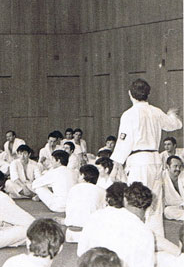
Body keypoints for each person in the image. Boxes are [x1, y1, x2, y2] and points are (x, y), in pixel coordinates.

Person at [111, 77, 182, 236]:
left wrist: (116, 164)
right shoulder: (155, 111)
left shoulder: (129, 114)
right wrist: (172, 115)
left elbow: (124, 141)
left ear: (130, 94)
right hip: (155, 160)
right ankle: (156, 239)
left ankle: (136, 238)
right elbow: (174, 125)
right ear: (147, 94)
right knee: (155, 204)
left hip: (139, 162)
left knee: (137, 201)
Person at [63, 164, 105, 242]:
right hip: (91, 234)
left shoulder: (73, 189)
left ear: (83, 176)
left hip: (72, 233)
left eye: (79, 175)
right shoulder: (102, 191)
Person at [162, 155, 184, 221]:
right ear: (168, 167)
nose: (178, 169)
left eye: (180, 166)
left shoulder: (183, 175)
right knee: (167, 211)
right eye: (175, 166)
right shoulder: (161, 177)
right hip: (175, 208)